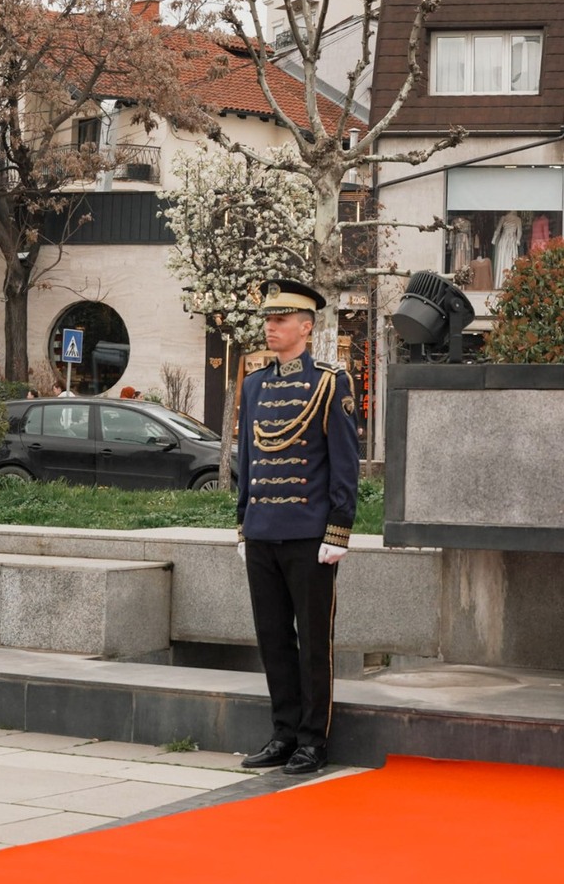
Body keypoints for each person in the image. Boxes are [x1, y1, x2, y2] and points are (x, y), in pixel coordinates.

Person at [233, 278, 360, 776]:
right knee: (272, 639)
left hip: (310, 534)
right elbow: (246, 459)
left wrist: (338, 530)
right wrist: (243, 523)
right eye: (268, 319)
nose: (271, 327)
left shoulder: (331, 382)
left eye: (281, 319)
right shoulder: (252, 384)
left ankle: (314, 740)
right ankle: (283, 733)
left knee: (313, 640)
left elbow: (343, 464)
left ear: (306, 327)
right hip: (264, 529)